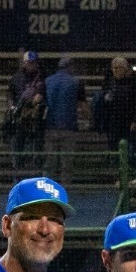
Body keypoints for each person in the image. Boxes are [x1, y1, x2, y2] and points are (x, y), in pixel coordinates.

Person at [42, 56, 85, 184]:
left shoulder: (47, 81)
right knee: (67, 163)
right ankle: (65, 188)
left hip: (50, 125)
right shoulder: (76, 82)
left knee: (50, 162)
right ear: (70, 66)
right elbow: (83, 106)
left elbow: (40, 100)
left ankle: (47, 188)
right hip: (68, 126)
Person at [6, 51, 47, 171]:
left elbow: (44, 96)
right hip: (19, 121)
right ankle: (18, 179)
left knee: (36, 152)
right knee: (17, 153)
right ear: (24, 63)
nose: (31, 65)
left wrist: (37, 103)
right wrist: (12, 107)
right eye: (29, 63)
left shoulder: (43, 77)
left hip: (35, 121)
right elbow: (9, 94)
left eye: (33, 63)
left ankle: (35, 178)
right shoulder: (16, 78)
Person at [97, 57, 136, 153]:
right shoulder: (108, 83)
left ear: (125, 69)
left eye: (119, 67)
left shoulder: (133, 83)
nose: (116, 70)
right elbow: (104, 102)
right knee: (113, 147)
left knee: (129, 147)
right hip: (112, 122)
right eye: (114, 68)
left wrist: (134, 120)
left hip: (128, 121)